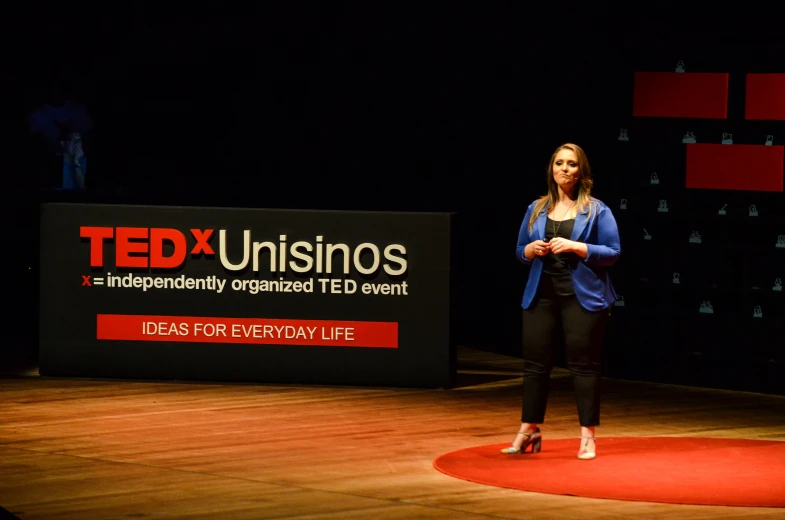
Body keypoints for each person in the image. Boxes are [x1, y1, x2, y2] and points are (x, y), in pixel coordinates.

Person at [502, 143, 621, 460]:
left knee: (583, 366)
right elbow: (520, 250)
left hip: (582, 297)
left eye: (571, 164)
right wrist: (531, 250)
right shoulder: (536, 208)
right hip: (541, 294)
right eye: (559, 163)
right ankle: (529, 429)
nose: (564, 169)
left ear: (580, 171)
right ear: (551, 169)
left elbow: (612, 253)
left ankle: (587, 437)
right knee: (535, 366)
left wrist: (575, 246)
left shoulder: (597, 210)